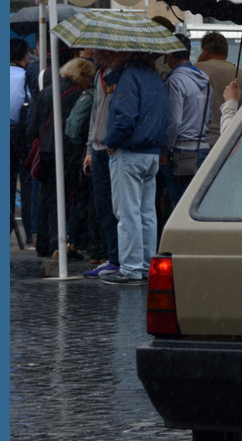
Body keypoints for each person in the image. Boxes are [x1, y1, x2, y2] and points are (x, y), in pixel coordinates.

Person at [99, 51, 169, 285]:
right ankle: (147, 268)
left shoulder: (129, 77)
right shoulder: (155, 78)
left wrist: (110, 141)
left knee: (127, 213)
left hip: (129, 153)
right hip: (151, 153)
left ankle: (129, 269)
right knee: (146, 214)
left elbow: (125, 118)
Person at [25, 54, 83, 258]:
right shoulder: (80, 94)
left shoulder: (46, 92)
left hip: (46, 150)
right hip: (70, 152)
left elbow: (32, 127)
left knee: (47, 197)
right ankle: (60, 243)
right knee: (67, 198)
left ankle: (45, 242)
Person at [82, 51, 122, 277]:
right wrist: (89, 148)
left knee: (116, 206)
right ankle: (112, 255)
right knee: (103, 205)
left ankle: (116, 256)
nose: (92, 54)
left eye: (96, 51)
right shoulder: (100, 75)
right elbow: (95, 112)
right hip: (98, 147)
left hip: (111, 147)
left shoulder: (120, 76)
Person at [160, 35, 213, 208]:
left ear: (170, 55)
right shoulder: (204, 80)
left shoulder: (175, 80)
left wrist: (165, 150)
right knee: (198, 207)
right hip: (203, 149)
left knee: (180, 207)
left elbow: (174, 121)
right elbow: (209, 115)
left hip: (181, 154)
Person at [59, 56, 98, 260]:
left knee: (73, 199)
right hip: (82, 152)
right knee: (89, 200)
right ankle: (91, 246)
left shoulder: (57, 90)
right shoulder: (85, 95)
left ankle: (70, 241)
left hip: (65, 151)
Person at [195, 32, 242, 149]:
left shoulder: (195, 71)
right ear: (226, 53)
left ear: (206, 50)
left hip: (201, 140)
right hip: (230, 140)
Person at [10, 38, 30, 239]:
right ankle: (30, 230)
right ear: (25, 56)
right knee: (26, 182)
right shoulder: (26, 76)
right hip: (22, 135)